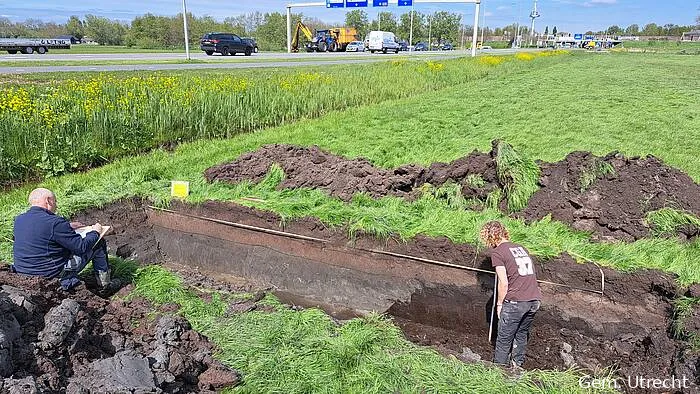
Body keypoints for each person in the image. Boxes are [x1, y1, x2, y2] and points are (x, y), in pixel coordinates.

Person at [12, 188, 112, 291]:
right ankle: (104, 287)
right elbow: (82, 247)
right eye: (55, 201)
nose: (56, 205)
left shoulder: (19, 219)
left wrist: (67, 227)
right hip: (51, 275)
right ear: (48, 200)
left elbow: (38, 233)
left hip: (24, 273)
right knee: (98, 242)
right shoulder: (55, 222)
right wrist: (95, 232)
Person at [480, 221, 542, 368]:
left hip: (516, 302)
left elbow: (503, 283)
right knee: (521, 335)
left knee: (503, 340)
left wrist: (500, 304)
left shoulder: (498, 252)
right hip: (534, 299)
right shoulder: (520, 248)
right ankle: (517, 369)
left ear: (490, 237)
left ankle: (498, 374)